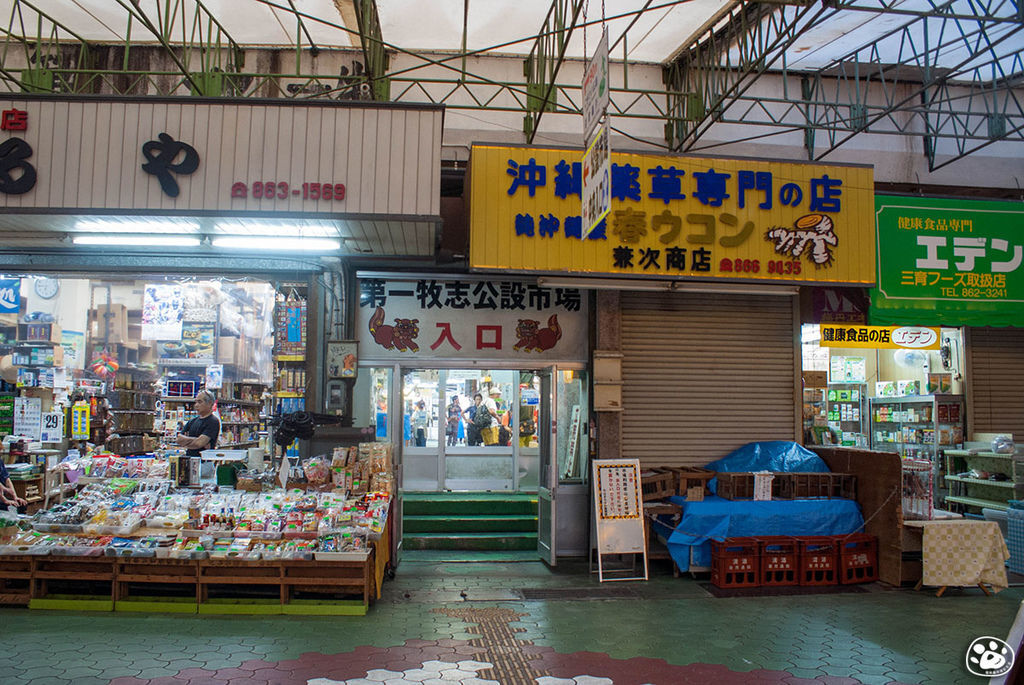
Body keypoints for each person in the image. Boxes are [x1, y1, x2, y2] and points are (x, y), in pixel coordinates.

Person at [175, 389, 221, 457]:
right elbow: (179, 439)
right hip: (189, 459)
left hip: (203, 462)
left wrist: (186, 442)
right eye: (195, 402)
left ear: (210, 403)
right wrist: (196, 440)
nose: (196, 405)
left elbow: (199, 443)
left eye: (200, 402)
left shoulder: (213, 421)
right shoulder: (192, 421)